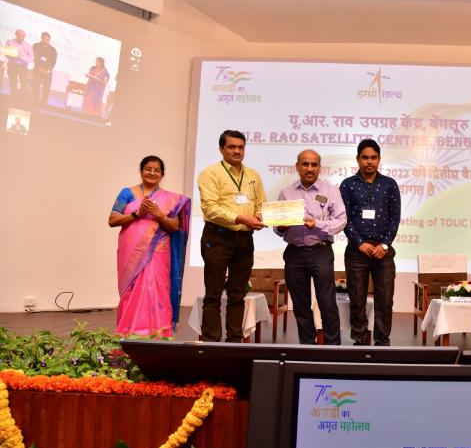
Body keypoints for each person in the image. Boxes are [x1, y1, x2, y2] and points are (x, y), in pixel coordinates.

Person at [108, 156, 191, 337]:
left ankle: (159, 337)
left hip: (158, 252)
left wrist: (158, 214)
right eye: (148, 169)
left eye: (156, 170)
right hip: (131, 254)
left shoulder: (171, 199)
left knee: (157, 291)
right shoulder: (127, 193)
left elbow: (175, 227)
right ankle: (129, 336)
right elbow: (112, 220)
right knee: (131, 293)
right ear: (141, 171)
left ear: (162, 174)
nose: (152, 173)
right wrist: (137, 214)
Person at [198, 130, 267, 342]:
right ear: (221, 149)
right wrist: (241, 218)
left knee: (238, 294)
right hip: (217, 238)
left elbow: (261, 204)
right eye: (232, 147)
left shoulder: (253, 175)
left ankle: (235, 342)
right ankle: (211, 342)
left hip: (244, 240)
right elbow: (210, 209)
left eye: (241, 147)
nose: (237, 151)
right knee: (213, 294)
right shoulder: (210, 173)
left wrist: (259, 215)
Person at [274, 150, 347, 344]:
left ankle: (333, 347)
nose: (309, 168)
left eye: (314, 165)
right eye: (305, 164)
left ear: (319, 168)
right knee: (300, 304)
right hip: (294, 253)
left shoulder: (330, 190)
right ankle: (307, 346)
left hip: (321, 251)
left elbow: (341, 220)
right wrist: (280, 227)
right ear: (297, 167)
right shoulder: (286, 192)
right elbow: (277, 226)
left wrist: (318, 224)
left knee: (327, 302)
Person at [340, 139, 401, 346]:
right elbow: (344, 218)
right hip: (357, 251)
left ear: (379, 159)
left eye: (373, 158)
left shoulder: (389, 184)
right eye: (365, 158)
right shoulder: (348, 185)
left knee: (385, 300)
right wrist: (360, 243)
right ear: (358, 159)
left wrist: (384, 245)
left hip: (383, 252)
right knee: (357, 300)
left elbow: (394, 218)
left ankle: (382, 342)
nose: (369, 162)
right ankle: (360, 342)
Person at [6, 29, 33, 99]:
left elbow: (31, 58)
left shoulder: (28, 45)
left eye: (22, 36)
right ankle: (13, 97)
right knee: (13, 82)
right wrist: (12, 55)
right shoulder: (10, 42)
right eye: (19, 35)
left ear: (24, 37)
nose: (20, 37)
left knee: (23, 83)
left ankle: (22, 99)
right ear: (16, 35)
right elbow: (6, 52)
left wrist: (22, 57)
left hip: (22, 66)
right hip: (12, 64)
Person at [32, 32, 57, 105]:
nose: (46, 41)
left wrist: (48, 70)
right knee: (36, 86)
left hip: (47, 72)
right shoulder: (36, 46)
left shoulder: (53, 49)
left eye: (47, 39)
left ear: (49, 40)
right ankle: (35, 101)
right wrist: (39, 68)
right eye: (44, 39)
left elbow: (53, 61)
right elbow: (34, 58)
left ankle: (44, 102)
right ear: (41, 38)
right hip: (38, 70)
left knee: (46, 88)